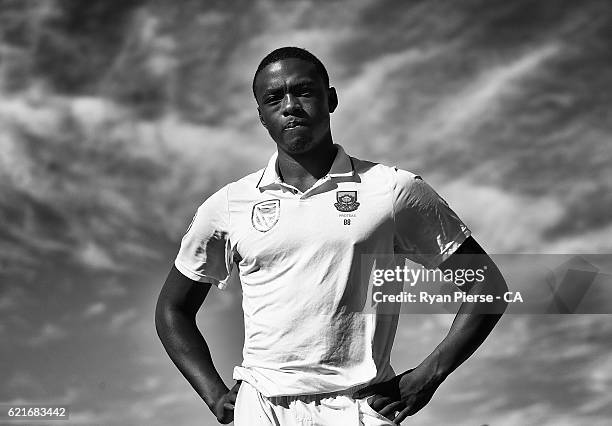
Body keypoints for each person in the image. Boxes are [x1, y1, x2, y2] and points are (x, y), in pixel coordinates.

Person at [155, 46, 508, 425]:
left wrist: (427, 377)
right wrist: (213, 393)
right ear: (261, 115)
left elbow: (487, 287)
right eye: (274, 98)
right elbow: (172, 309)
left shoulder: (391, 190)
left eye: (303, 91)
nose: (290, 106)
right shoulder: (229, 204)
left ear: (331, 99)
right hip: (262, 408)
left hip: (360, 407)